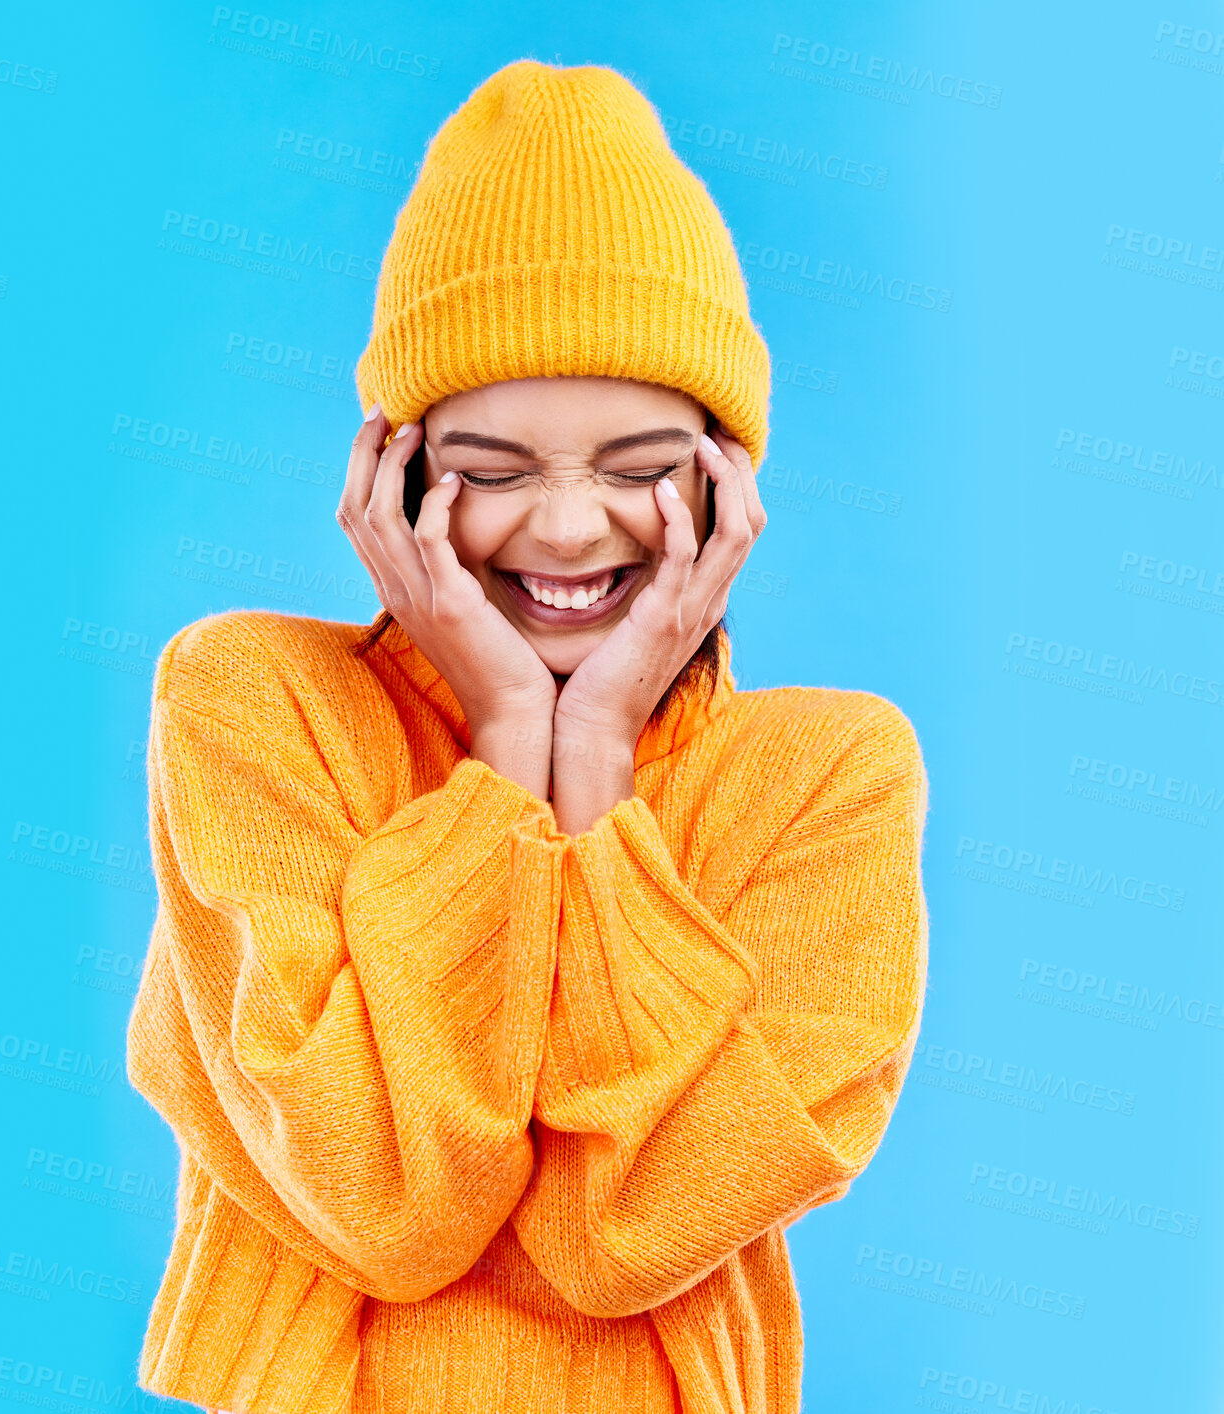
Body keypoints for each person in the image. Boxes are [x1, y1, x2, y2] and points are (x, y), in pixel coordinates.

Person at [125, 58, 929, 1414]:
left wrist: (597, 765)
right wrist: (508, 744)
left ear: (729, 480)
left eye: (636, 469)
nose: (565, 529)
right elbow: (385, 1199)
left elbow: (622, 1233)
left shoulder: (825, 779)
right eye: (494, 471)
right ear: (400, 472)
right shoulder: (251, 702)